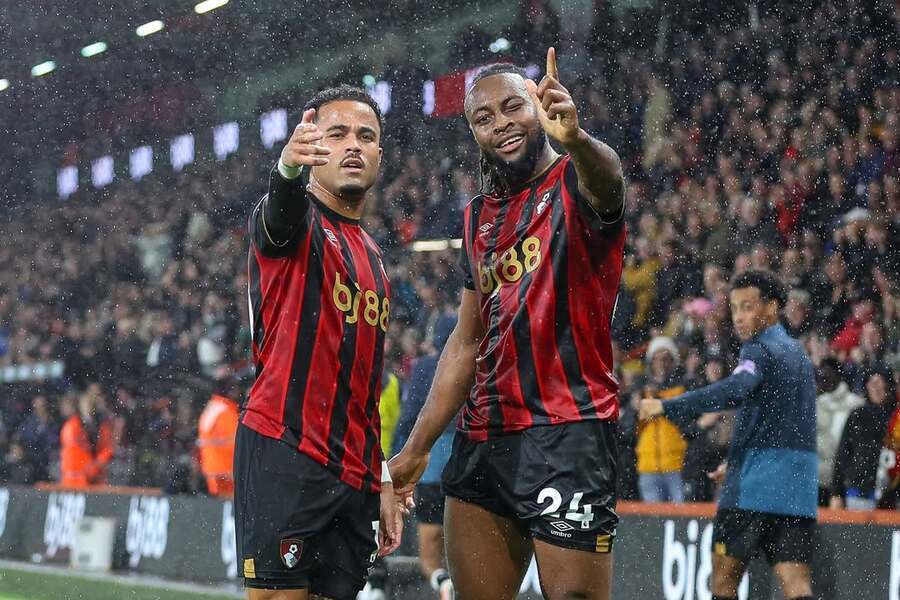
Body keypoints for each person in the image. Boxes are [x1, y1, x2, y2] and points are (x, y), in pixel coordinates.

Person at [391, 47, 626, 600]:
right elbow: (467, 340)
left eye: (512, 107)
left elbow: (609, 181)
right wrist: (419, 446)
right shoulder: (478, 218)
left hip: (569, 430)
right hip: (484, 437)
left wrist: (577, 140)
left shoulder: (578, 181)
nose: (501, 124)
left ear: (538, 108)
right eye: (483, 118)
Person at [234, 85, 406, 600]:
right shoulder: (295, 220)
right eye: (338, 134)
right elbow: (280, 212)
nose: (353, 145)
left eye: (366, 136)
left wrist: (382, 476)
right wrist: (286, 171)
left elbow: (364, 380)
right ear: (314, 149)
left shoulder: (375, 257)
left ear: (379, 154)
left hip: (354, 470)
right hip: (287, 446)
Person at [640, 270, 818, 600]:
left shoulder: (758, 350)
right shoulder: (799, 355)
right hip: (796, 491)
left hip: (752, 489)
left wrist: (668, 406)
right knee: (797, 587)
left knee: (723, 583)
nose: (739, 316)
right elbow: (784, 422)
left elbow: (736, 390)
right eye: (735, 308)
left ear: (773, 307)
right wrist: (738, 460)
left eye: (748, 306)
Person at [392, 317, 458, 599]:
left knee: (429, 552)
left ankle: (442, 580)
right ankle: (459, 583)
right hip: (467, 466)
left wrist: (397, 456)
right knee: (463, 545)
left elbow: (409, 418)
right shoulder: (477, 362)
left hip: (431, 467)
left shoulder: (425, 368)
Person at [829, 369, 896, 510]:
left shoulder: (896, 418)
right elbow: (843, 453)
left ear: (888, 386)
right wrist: (836, 492)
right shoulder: (857, 415)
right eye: (872, 383)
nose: (876, 388)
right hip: (859, 491)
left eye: (880, 383)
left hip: (892, 493)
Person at [635, 336, 688, 502]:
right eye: (657, 359)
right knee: (652, 522)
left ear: (673, 362)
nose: (661, 363)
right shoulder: (641, 390)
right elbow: (632, 428)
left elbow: (684, 420)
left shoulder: (682, 388)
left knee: (680, 519)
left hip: (675, 463)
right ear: (651, 362)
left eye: (666, 359)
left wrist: (658, 403)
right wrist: (635, 408)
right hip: (648, 464)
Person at [815, 358, 864, 505]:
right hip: (817, 479)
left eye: (828, 375)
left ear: (838, 375)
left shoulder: (855, 404)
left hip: (844, 479)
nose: (825, 379)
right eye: (821, 376)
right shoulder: (814, 405)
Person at [60, 383, 116, 488]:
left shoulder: (103, 425)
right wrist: (89, 469)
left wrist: (96, 466)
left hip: (94, 482)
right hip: (75, 482)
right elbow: (73, 453)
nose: (89, 406)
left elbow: (107, 449)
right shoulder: (72, 426)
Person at [197, 375, 240, 497]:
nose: (237, 391)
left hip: (212, 468)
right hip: (225, 470)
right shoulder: (226, 412)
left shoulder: (213, 407)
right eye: (235, 388)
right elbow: (234, 443)